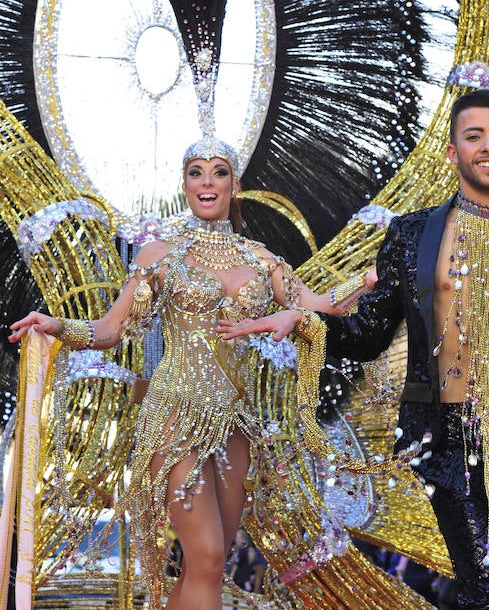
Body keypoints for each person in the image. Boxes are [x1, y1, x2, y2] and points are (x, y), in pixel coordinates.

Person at [218, 89, 489, 610]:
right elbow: (370, 331)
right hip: (446, 437)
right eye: (474, 136)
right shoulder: (411, 236)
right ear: (452, 152)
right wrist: (306, 321)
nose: (488, 146)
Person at [8, 135, 374, 610]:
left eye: (219, 172)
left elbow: (322, 306)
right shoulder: (160, 254)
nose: (207, 182)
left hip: (236, 425)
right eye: (196, 172)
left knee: (209, 566)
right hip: (176, 417)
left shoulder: (262, 260)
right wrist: (57, 325)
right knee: (206, 556)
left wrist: (370, 279)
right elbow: (110, 330)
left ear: (234, 185)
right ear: (183, 184)